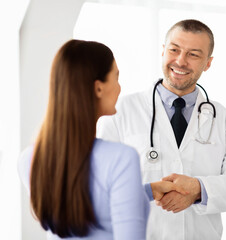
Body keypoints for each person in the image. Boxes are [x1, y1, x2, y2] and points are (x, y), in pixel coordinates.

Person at [97, 19, 226, 240]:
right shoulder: (120, 111)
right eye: (174, 50)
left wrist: (198, 189)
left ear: (208, 63)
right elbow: (99, 186)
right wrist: (150, 190)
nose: (180, 61)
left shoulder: (225, 120)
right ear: (163, 51)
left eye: (193, 54)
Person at [18, 39, 186, 240]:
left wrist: (148, 190)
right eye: (116, 78)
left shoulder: (30, 158)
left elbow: (86, 201)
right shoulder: (121, 158)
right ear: (98, 88)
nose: (119, 87)